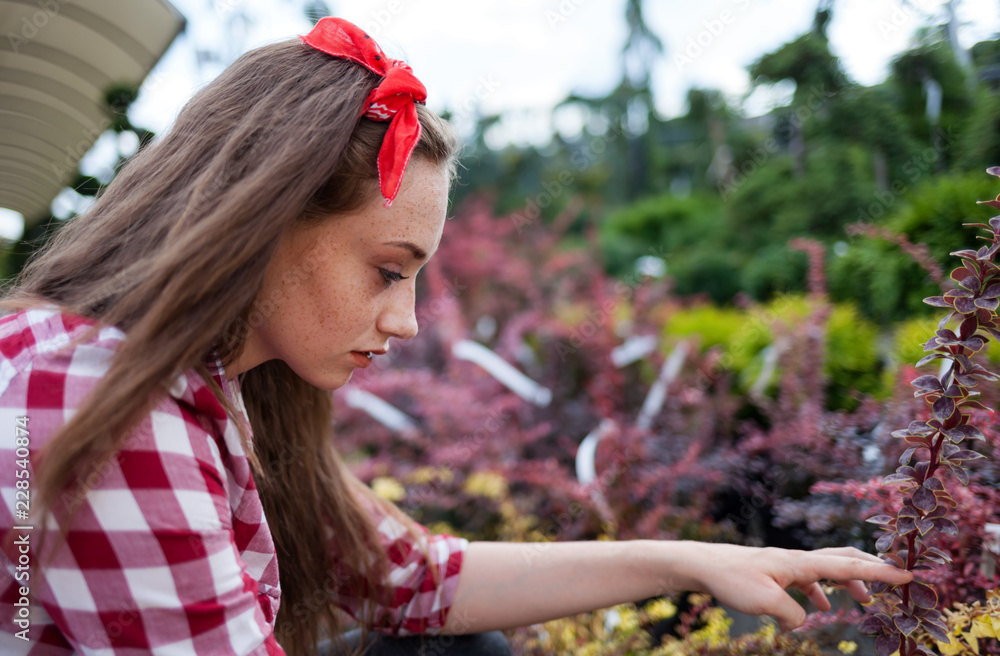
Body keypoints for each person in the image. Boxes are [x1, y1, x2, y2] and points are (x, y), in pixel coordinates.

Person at [0, 15, 912, 656]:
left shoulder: (200, 378)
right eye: (389, 270)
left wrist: (698, 561)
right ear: (265, 223)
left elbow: (414, 579)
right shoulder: (105, 403)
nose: (404, 321)